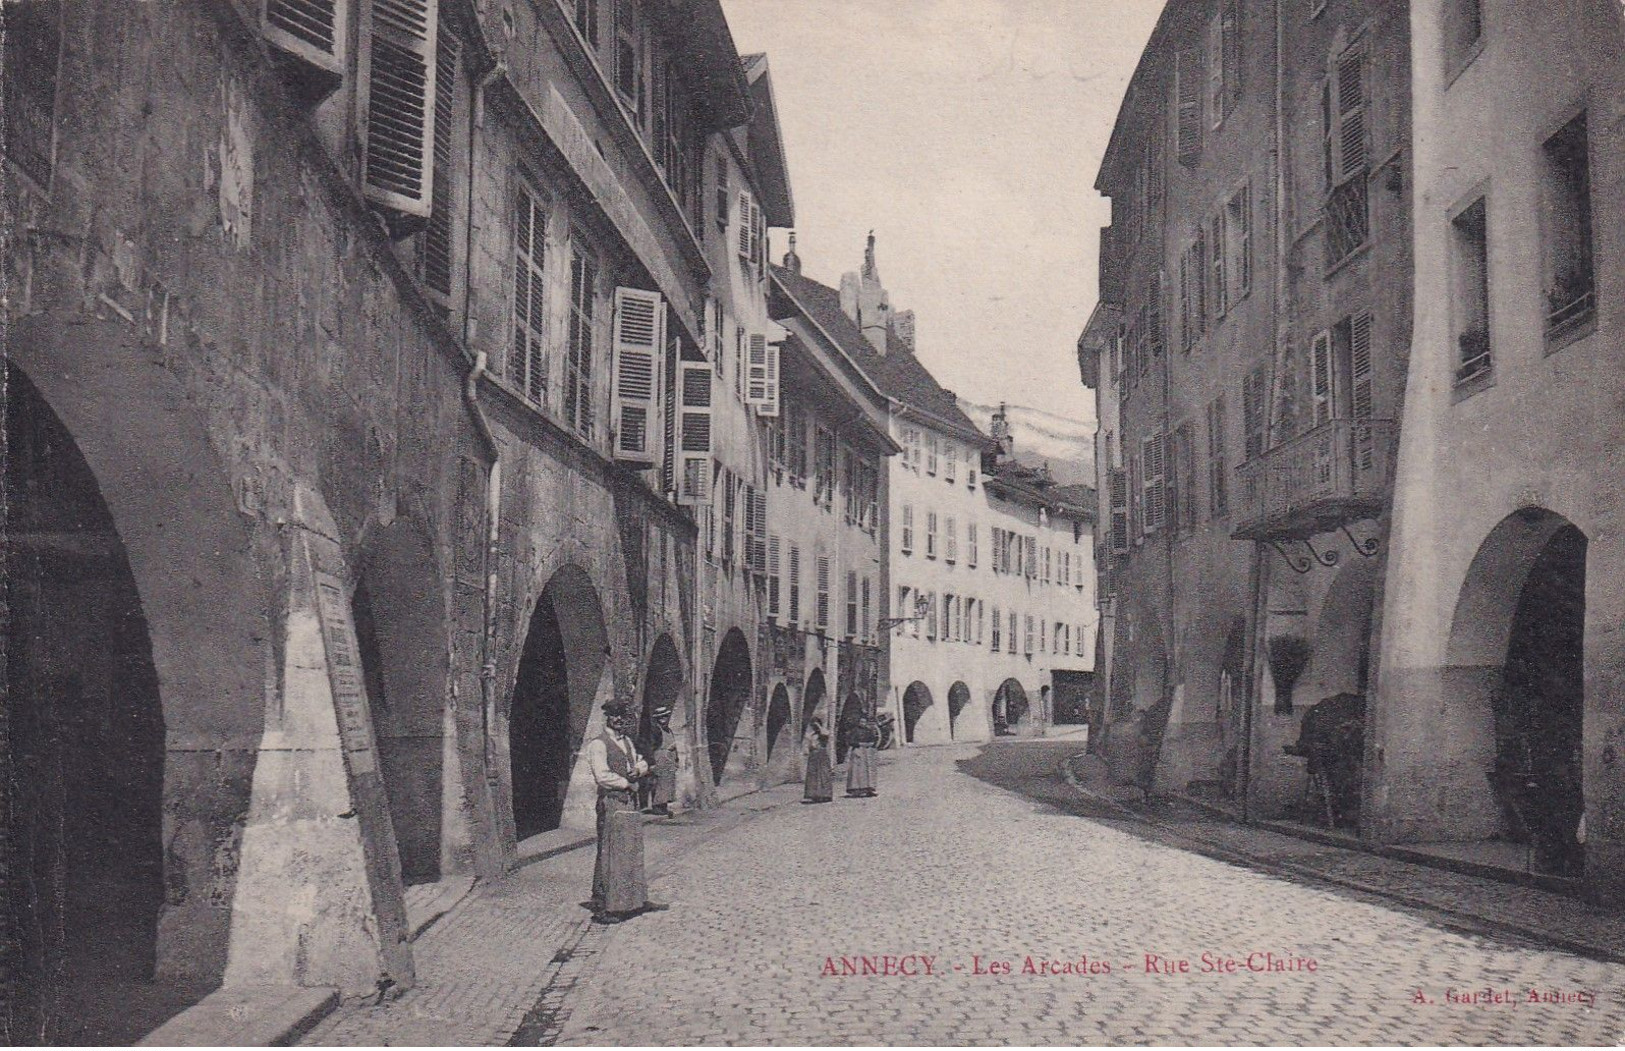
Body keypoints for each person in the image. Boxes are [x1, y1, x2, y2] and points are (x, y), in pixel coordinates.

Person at [585, 703, 660, 924]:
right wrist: (627, 783)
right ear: (607, 717)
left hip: (629, 803)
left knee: (631, 851)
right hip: (612, 802)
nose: (618, 719)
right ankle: (603, 906)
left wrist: (639, 769)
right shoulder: (598, 744)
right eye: (614, 715)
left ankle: (633, 900)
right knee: (609, 852)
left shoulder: (626, 741)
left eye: (622, 716)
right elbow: (602, 775)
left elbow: (640, 761)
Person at [644, 705, 678, 817]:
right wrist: (652, 762)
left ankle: (664, 806)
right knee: (659, 783)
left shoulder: (669, 730)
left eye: (665, 717)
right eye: (661, 717)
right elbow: (651, 747)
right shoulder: (656, 731)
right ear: (657, 719)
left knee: (668, 783)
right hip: (660, 758)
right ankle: (657, 806)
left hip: (669, 760)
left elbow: (674, 746)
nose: (663, 719)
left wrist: (676, 759)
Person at [845, 713, 879, 798]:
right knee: (857, 770)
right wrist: (861, 744)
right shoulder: (854, 731)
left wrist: (870, 744)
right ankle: (856, 789)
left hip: (867, 752)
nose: (862, 723)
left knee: (868, 770)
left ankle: (869, 789)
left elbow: (874, 740)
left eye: (864, 722)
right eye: (861, 721)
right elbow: (851, 741)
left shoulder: (869, 730)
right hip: (858, 750)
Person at [802, 717, 833, 803]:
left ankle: (825, 794)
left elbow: (825, 734)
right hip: (813, 755)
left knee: (823, 774)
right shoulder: (811, 735)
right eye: (813, 725)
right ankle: (813, 794)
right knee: (813, 775)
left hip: (822, 755)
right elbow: (807, 745)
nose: (814, 727)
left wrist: (819, 726)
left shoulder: (824, 732)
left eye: (815, 725)